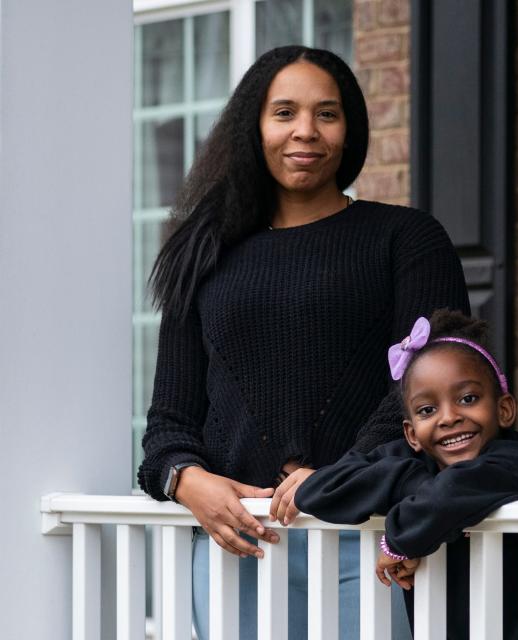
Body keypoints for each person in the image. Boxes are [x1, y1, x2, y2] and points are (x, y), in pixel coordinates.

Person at [136, 46, 469, 640]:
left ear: (351, 130)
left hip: (367, 535)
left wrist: (339, 476)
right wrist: (188, 481)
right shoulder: (204, 252)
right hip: (237, 542)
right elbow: (168, 421)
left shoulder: (407, 239)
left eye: (327, 114)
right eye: (284, 112)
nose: (305, 132)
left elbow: (432, 392)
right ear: (254, 127)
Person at [294, 310, 518, 640]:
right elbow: (316, 489)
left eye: (468, 399)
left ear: (504, 409)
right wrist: (412, 484)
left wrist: (397, 542)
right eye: (427, 410)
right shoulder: (417, 462)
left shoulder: (516, 463)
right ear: (412, 434)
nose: (448, 417)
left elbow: (453, 491)